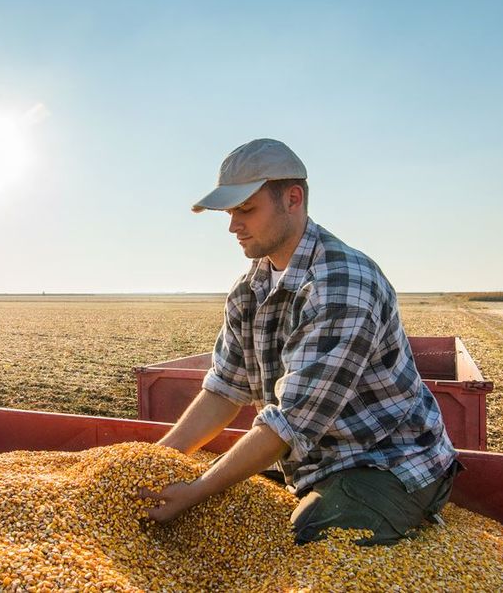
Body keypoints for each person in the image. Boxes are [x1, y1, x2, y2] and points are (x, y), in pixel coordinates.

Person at [140, 138, 460, 545]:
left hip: (388, 461)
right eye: (230, 212)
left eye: (246, 209)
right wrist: (157, 459)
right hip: (309, 459)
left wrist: (196, 491)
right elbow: (224, 388)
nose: (233, 225)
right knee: (217, 506)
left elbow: (290, 422)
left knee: (316, 535)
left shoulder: (342, 284)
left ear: (292, 199)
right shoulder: (248, 288)